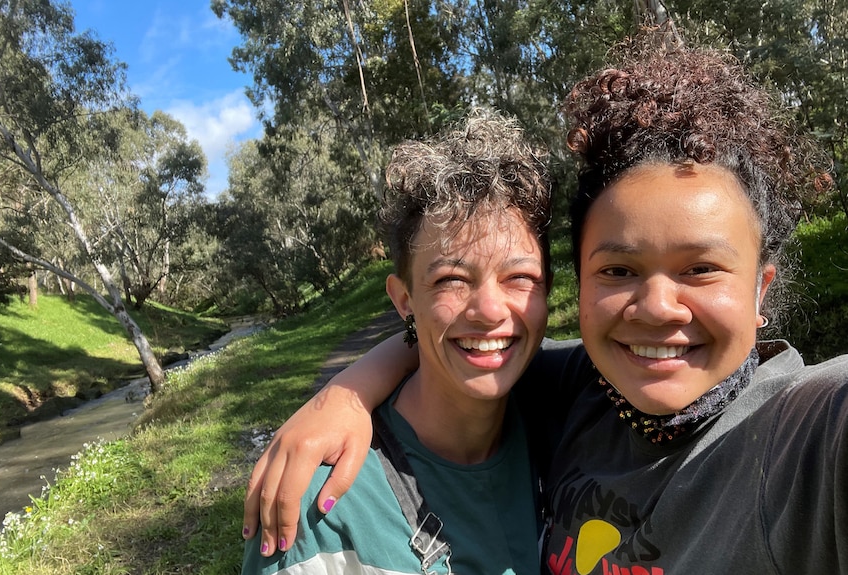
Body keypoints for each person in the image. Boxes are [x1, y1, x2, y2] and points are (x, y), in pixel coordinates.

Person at [243, 29, 848, 574]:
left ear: (760, 289)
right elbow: (471, 354)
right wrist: (346, 394)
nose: (660, 306)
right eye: (619, 269)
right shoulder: (582, 391)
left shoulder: (801, 441)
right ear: (582, 288)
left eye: (701, 268)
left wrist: (345, 390)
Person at [242, 109, 554, 574]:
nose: (490, 310)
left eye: (520, 277)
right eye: (451, 279)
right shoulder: (321, 506)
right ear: (404, 300)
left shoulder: (570, 419)